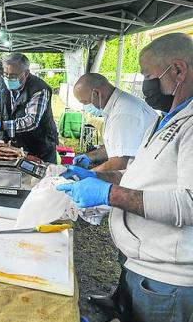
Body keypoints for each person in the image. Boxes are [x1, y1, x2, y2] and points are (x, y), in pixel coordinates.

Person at [57, 33, 193, 322]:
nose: (146, 84)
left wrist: (109, 195)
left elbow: (190, 203)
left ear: (178, 70)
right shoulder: (166, 116)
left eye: (147, 75)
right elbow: (140, 172)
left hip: (170, 281)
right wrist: (102, 178)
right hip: (143, 265)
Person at [0, 53, 58, 163]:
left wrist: (3, 126)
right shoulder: (1, 84)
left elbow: (32, 121)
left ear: (26, 73)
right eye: (6, 74)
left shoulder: (39, 89)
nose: (9, 78)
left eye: (14, 75)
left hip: (38, 147)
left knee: (38, 178)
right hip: (13, 147)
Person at [72, 73, 157, 171]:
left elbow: (119, 163)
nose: (85, 107)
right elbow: (118, 147)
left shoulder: (122, 114)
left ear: (96, 93)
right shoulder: (117, 106)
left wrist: (86, 175)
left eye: (85, 102)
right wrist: (91, 156)